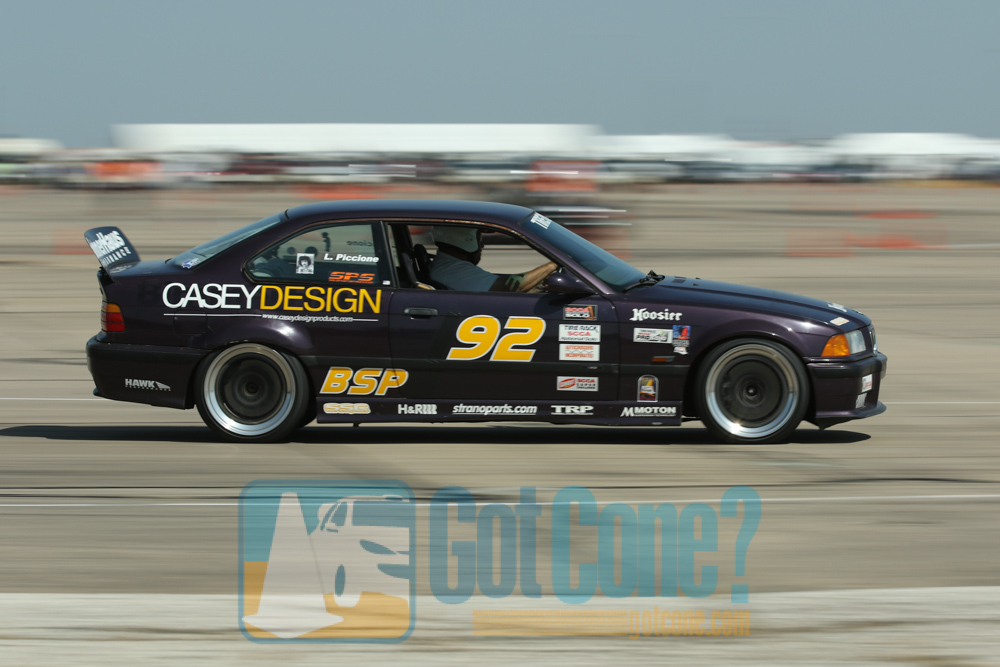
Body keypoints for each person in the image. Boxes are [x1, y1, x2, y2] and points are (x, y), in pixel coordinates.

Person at [429, 226, 557, 292]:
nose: (482, 245)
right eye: (479, 238)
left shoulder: (448, 265)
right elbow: (506, 288)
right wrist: (553, 264)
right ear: (464, 239)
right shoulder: (453, 270)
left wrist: (539, 286)